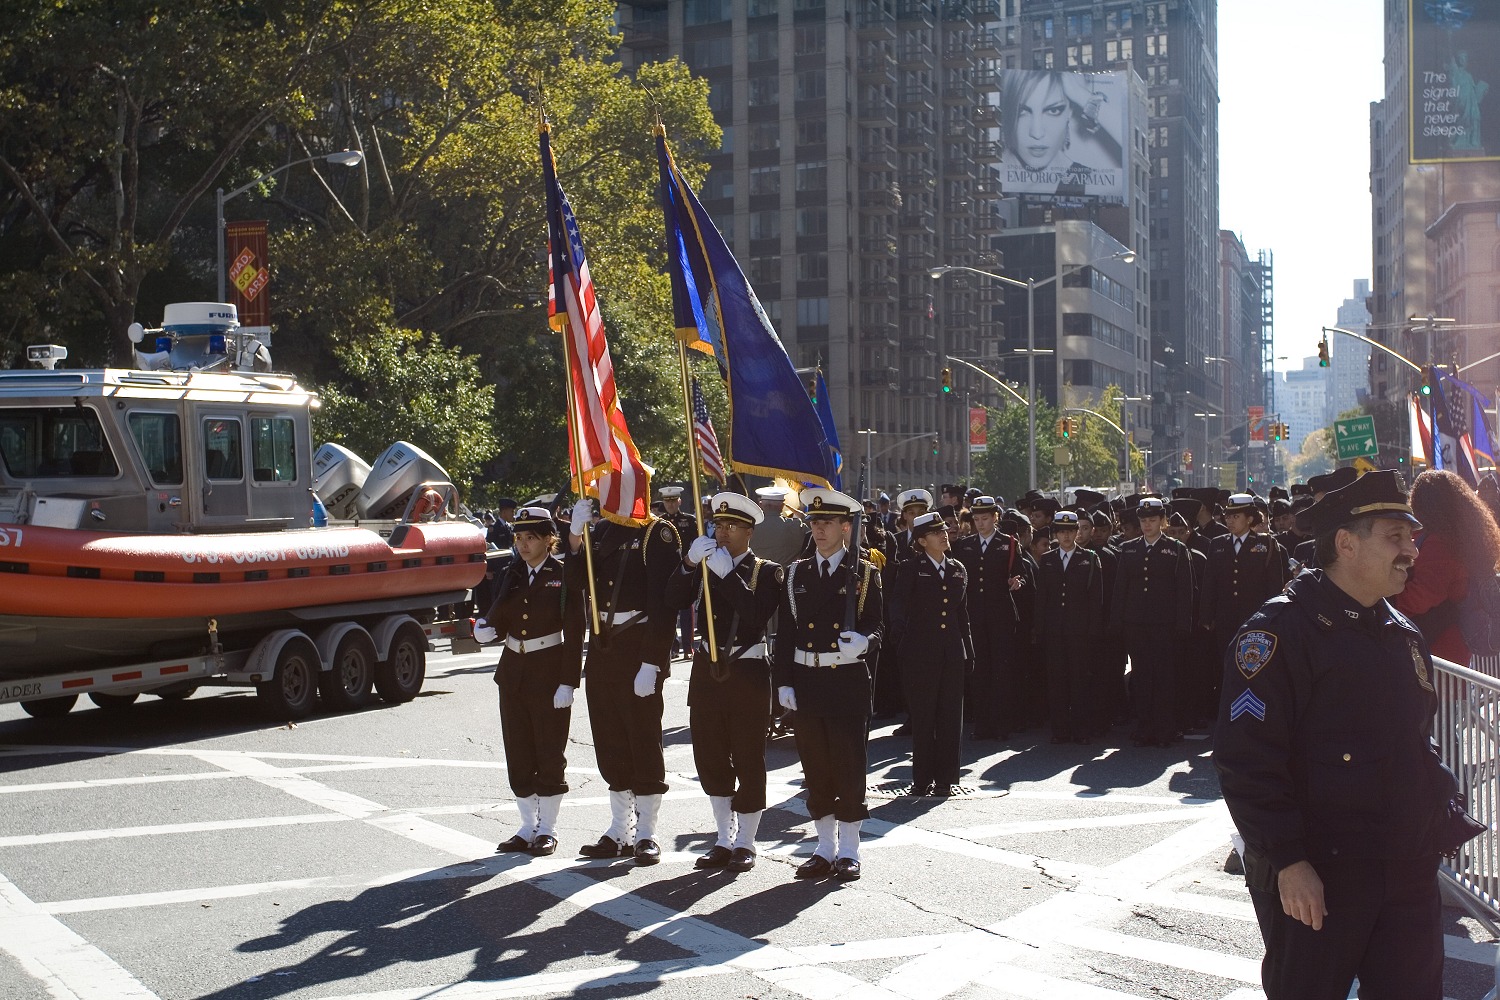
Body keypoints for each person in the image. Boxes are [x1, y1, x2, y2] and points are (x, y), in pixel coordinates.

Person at [1214, 470, 1456, 998]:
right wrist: (1288, 860)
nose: (1411, 551)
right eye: (1395, 537)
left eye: (1411, 537)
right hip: (1322, 873)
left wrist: (1438, 806)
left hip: (1405, 868)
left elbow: (1415, 737)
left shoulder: (1401, 632)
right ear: (1346, 544)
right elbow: (1247, 759)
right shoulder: (1277, 633)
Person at [667, 492, 783, 872]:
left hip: (747, 672)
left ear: (749, 531)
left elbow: (755, 615)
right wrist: (688, 563)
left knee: (748, 757)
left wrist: (727, 577)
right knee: (711, 756)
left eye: (731, 526)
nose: (722, 532)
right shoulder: (705, 565)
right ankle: (722, 838)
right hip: (708, 672)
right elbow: (672, 600)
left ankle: (746, 841)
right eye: (718, 525)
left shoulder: (767, 572)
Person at [774, 488, 884, 881]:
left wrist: (865, 642)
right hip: (808, 680)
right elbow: (786, 633)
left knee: (848, 766)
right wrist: (782, 683)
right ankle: (823, 848)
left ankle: (849, 849)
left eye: (827, 523)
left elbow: (878, 625)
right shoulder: (796, 574)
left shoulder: (864, 573)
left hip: (846, 681)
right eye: (814, 522)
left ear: (845, 528)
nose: (819, 530)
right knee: (816, 767)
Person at [566, 498, 682, 865]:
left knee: (642, 737)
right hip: (605, 646)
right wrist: (574, 539)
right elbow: (576, 583)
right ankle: (619, 829)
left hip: (638, 645)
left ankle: (646, 831)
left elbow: (665, 605)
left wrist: (653, 662)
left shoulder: (656, 533)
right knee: (609, 737)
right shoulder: (601, 530)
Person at [473, 506, 583, 857]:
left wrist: (568, 681)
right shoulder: (513, 573)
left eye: (530, 538)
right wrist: (488, 629)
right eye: (519, 537)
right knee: (518, 751)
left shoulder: (563, 575)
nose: (522, 544)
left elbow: (575, 630)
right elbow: (502, 615)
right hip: (513, 671)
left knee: (549, 751)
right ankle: (527, 827)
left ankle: (547, 828)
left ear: (549, 540)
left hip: (548, 670)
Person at [887, 511, 972, 795]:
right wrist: (900, 636)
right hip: (920, 653)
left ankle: (946, 779)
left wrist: (968, 650)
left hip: (951, 651)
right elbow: (898, 605)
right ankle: (922, 779)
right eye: (936, 533)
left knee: (950, 715)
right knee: (924, 716)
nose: (944, 535)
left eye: (944, 531)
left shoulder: (958, 568)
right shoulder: (911, 568)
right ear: (922, 541)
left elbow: (962, 614)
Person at [1393, 468, 1500, 665]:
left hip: (1441, 648)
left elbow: (1421, 596)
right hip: (1448, 647)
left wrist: (1383, 602)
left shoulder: (1440, 543)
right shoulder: (1454, 537)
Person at [1112, 496, 1194, 747]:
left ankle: (1165, 729)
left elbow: (1184, 590)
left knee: (1165, 677)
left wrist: (1183, 624)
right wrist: (1117, 621)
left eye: (1152, 520)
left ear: (1162, 521)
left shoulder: (1176, 549)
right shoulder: (1129, 549)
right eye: (1143, 520)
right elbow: (1121, 588)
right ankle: (1144, 727)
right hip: (1136, 623)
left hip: (1165, 624)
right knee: (1142, 675)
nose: (1147, 524)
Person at [1199, 493, 1289, 714]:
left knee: (1255, 668)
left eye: (1235, 516)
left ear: (1249, 519)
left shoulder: (1266, 544)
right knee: (1227, 667)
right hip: (1225, 619)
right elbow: (1209, 583)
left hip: (1255, 620)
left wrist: (1273, 619)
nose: (1229, 521)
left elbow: (1274, 587)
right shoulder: (1217, 544)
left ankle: (1254, 715)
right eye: (1228, 516)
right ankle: (1228, 713)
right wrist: (1206, 617)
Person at [952, 495, 1027, 741]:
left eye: (985, 518)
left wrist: (1017, 581)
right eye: (976, 519)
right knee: (979, 669)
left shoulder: (1009, 543)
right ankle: (982, 723)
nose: (981, 523)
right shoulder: (965, 545)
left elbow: (1021, 572)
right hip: (974, 614)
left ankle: (1002, 723)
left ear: (995, 517)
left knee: (1001, 670)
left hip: (1001, 614)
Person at [1031, 509, 1103, 744]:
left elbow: (1095, 599)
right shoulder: (1048, 559)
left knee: (1079, 680)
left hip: (1079, 630)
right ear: (1056, 534)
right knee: (1057, 680)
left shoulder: (1089, 558)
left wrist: (1093, 630)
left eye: (1070, 531)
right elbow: (1042, 597)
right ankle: (1060, 729)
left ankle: (1081, 729)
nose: (1066, 536)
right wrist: (1040, 629)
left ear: (1077, 532)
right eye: (1061, 532)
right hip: (1054, 629)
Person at [999, 69, 1125, 198]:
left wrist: (1080, 95)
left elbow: (1134, 152)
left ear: (1069, 112)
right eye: (1022, 112)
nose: (1037, 133)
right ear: (1006, 113)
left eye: (1053, 110)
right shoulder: (989, 174)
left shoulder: (1084, 181)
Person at [659, 486, 701, 658]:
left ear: (679, 501)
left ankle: (687, 647)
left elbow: (697, 543)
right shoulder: (659, 522)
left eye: (673, 501)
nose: (670, 505)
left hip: (685, 569)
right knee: (667, 611)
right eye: (667, 501)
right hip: (666, 571)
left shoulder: (689, 521)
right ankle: (672, 646)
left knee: (686, 610)